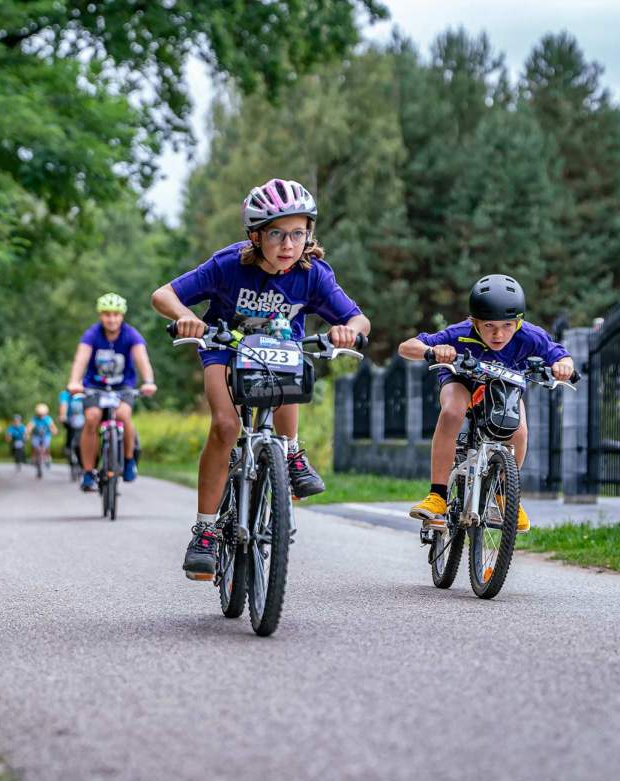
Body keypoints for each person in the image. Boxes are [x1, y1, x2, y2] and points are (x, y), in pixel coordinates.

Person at [151, 177, 370, 580]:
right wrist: (188, 317)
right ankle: (206, 530)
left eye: (298, 234)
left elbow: (358, 317)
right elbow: (163, 294)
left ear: (309, 234)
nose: (289, 245)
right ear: (255, 236)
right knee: (225, 425)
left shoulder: (313, 274)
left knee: (290, 367)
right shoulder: (228, 265)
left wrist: (347, 330)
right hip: (225, 347)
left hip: (280, 353)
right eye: (276, 234)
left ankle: (289, 452)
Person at [398, 273, 574, 532]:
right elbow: (406, 347)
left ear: (518, 322)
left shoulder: (531, 336)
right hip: (462, 381)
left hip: (504, 388)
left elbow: (563, 356)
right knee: (452, 412)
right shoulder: (459, 333)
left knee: (520, 431)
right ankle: (438, 495)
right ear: (475, 322)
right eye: (489, 326)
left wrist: (563, 367)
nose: (499, 334)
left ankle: (505, 494)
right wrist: (433, 351)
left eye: (507, 326)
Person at [66, 293, 157, 491]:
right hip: (94, 386)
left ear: (122, 316)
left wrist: (148, 381)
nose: (111, 319)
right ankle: (88, 472)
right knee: (92, 418)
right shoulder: (92, 334)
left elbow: (142, 359)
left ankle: (129, 460)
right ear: (100, 316)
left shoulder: (131, 335)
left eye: (116, 315)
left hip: (122, 386)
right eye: (107, 315)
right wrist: (74, 381)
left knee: (124, 415)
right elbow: (81, 359)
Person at [26, 403, 58, 471]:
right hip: (36, 436)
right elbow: (29, 427)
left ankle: (48, 457)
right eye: (40, 414)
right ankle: (34, 458)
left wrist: (54, 431)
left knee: (46, 446)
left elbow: (52, 427)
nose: (41, 416)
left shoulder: (48, 419)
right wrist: (27, 433)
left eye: (43, 414)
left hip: (46, 435)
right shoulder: (34, 419)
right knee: (34, 446)